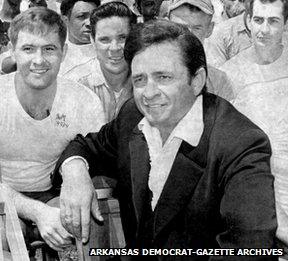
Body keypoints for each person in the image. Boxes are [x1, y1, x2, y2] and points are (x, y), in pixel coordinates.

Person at [54, 19, 277, 253]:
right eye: (140, 80)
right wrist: (75, 172)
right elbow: (85, 146)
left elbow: (249, 250)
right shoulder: (132, 115)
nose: (149, 93)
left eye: (164, 77)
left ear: (197, 81)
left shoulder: (241, 143)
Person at [0, 7, 105, 251]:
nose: (39, 60)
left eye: (49, 49)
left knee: (83, 222)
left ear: (64, 51)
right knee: (3, 233)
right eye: (28, 49)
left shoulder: (84, 100)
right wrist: (39, 213)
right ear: (13, 51)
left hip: (49, 192)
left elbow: (95, 158)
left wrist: (77, 174)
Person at [220, 0, 288, 247]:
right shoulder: (231, 73)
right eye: (258, 20)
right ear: (248, 21)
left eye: (273, 21)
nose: (264, 29)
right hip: (259, 185)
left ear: (285, 24)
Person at [64, 2, 136, 122]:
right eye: (104, 40)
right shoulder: (74, 84)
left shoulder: (147, 79)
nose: (114, 48)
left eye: (122, 38)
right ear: (92, 40)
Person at [168, 0, 235, 100]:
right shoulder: (146, 70)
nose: (189, 35)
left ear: (210, 29)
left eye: (197, 28)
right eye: (181, 27)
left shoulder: (218, 81)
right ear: (166, 25)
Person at [58, 0, 99, 75]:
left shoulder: (109, 52)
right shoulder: (56, 54)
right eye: (81, 17)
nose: (89, 23)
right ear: (65, 20)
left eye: (94, 16)